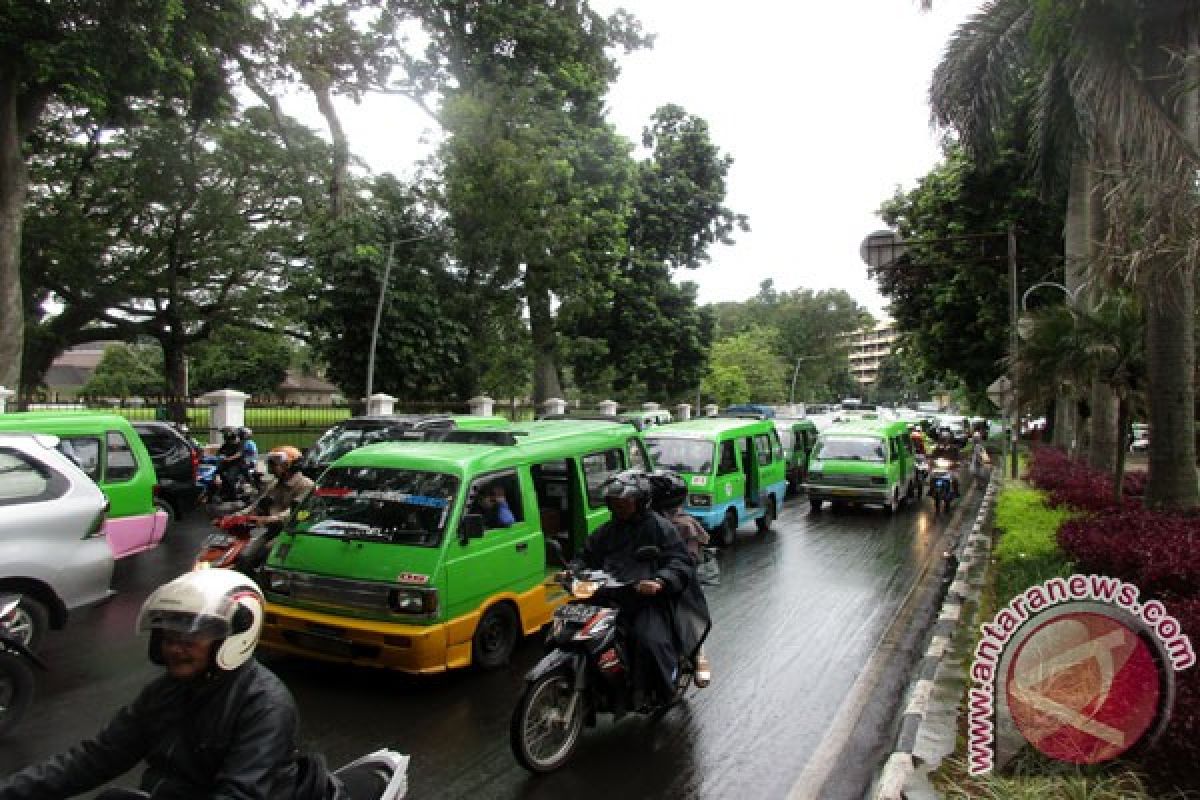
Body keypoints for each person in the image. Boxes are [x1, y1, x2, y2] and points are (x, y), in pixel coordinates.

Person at [0, 569, 337, 799]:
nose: (176, 647)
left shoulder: (264, 706)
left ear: (234, 637)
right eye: (170, 636)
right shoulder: (165, 691)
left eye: (192, 638)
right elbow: (96, 758)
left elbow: (239, 793)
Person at [571, 470, 695, 708]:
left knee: (648, 640)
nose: (619, 506)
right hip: (608, 594)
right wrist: (573, 571)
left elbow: (679, 561)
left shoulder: (660, 528)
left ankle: (658, 690)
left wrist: (659, 581)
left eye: (625, 502)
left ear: (639, 502)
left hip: (643, 599)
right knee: (575, 630)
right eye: (615, 502)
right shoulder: (606, 531)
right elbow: (585, 556)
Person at [647, 469, 713, 688]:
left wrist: (667, 575)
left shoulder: (684, 525)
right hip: (637, 578)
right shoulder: (635, 522)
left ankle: (698, 655)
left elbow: (688, 560)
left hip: (675, 582)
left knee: (686, 611)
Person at [237, 445, 315, 530]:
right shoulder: (275, 484)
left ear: (289, 465)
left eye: (275, 464)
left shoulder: (306, 485)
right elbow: (258, 504)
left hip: (291, 530)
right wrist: (238, 516)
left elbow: (294, 512)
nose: (271, 467)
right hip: (270, 527)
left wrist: (267, 519)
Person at [214, 426, 246, 502]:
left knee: (230, 478)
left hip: (236, 464)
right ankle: (223, 493)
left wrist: (229, 458)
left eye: (226, 434)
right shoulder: (226, 444)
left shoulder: (239, 443)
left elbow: (239, 454)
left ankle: (233, 496)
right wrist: (219, 456)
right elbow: (219, 452)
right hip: (226, 464)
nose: (224, 436)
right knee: (217, 474)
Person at [239, 427, 261, 491]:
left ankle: (251, 484)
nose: (240, 435)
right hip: (244, 460)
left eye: (241, 434)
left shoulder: (249, 443)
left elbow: (253, 453)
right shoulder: (242, 442)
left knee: (245, 471)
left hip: (249, 461)